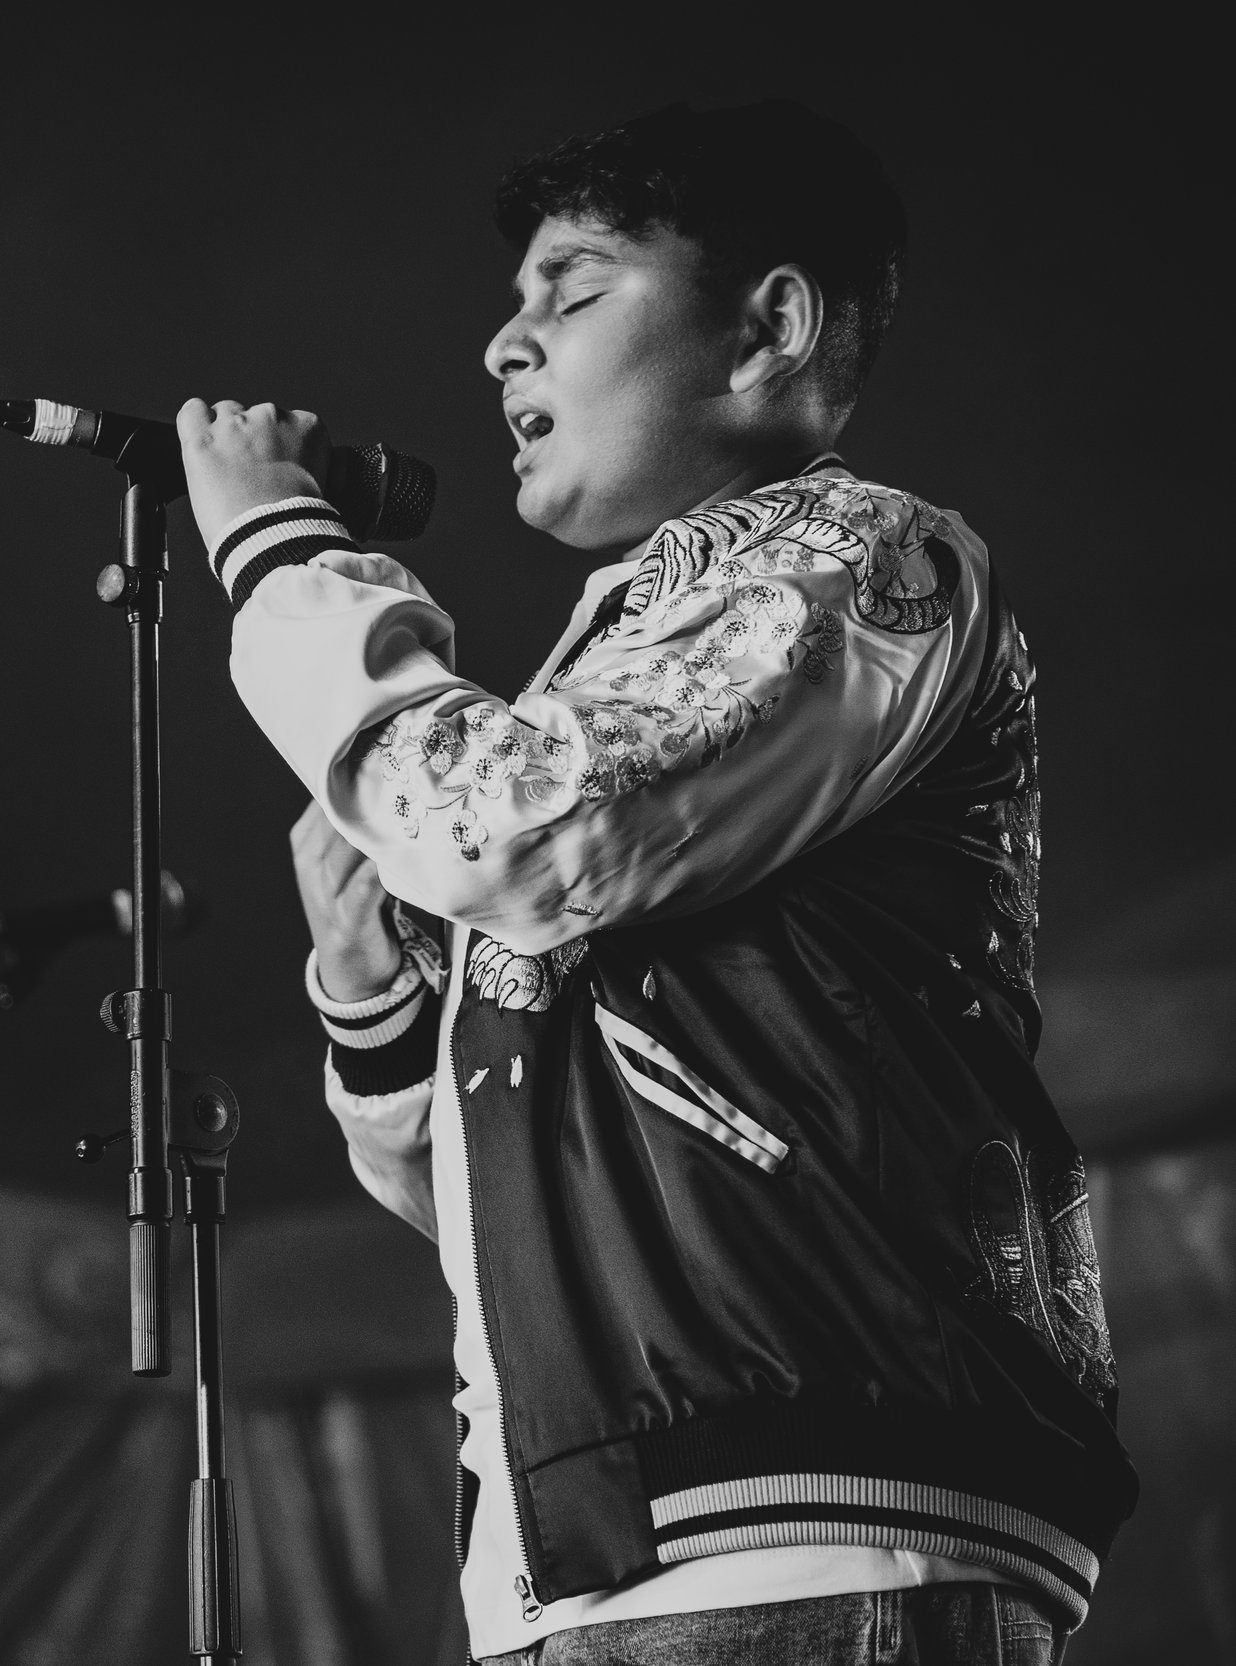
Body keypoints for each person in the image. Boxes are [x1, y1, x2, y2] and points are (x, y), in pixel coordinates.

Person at [173, 101, 1134, 1665]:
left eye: (575, 289)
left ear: (769, 327)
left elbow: (521, 827)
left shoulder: (859, 556)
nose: (504, 345)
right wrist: (370, 1002)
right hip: (616, 1549)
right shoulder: (628, 672)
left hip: (812, 1532)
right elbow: (523, 1210)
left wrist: (282, 547)